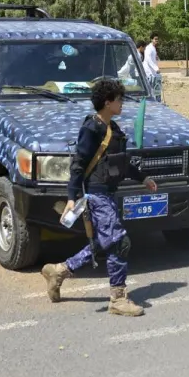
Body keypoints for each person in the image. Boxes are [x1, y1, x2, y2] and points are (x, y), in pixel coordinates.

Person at [40, 77, 159, 316]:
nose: (122, 103)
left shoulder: (113, 129)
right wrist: (73, 197)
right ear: (108, 102)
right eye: (119, 99)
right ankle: (117, 299)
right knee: (119, 242)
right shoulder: (91, 129)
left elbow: (122, 163)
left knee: (103, 242)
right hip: (95, 195)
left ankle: (59, 271)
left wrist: (143, 178)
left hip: (108, 193)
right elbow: (78, 164)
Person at [143, 35, 163, 99]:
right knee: (150, 89)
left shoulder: (153, 48)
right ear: (151, 39)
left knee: (155, 89)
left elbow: (153, 59)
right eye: (155, 39)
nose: (156, 40)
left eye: (157, 39)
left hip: (153, 72)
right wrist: (156, 68)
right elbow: (148, 59)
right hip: (149, 72)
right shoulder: (149, 48)